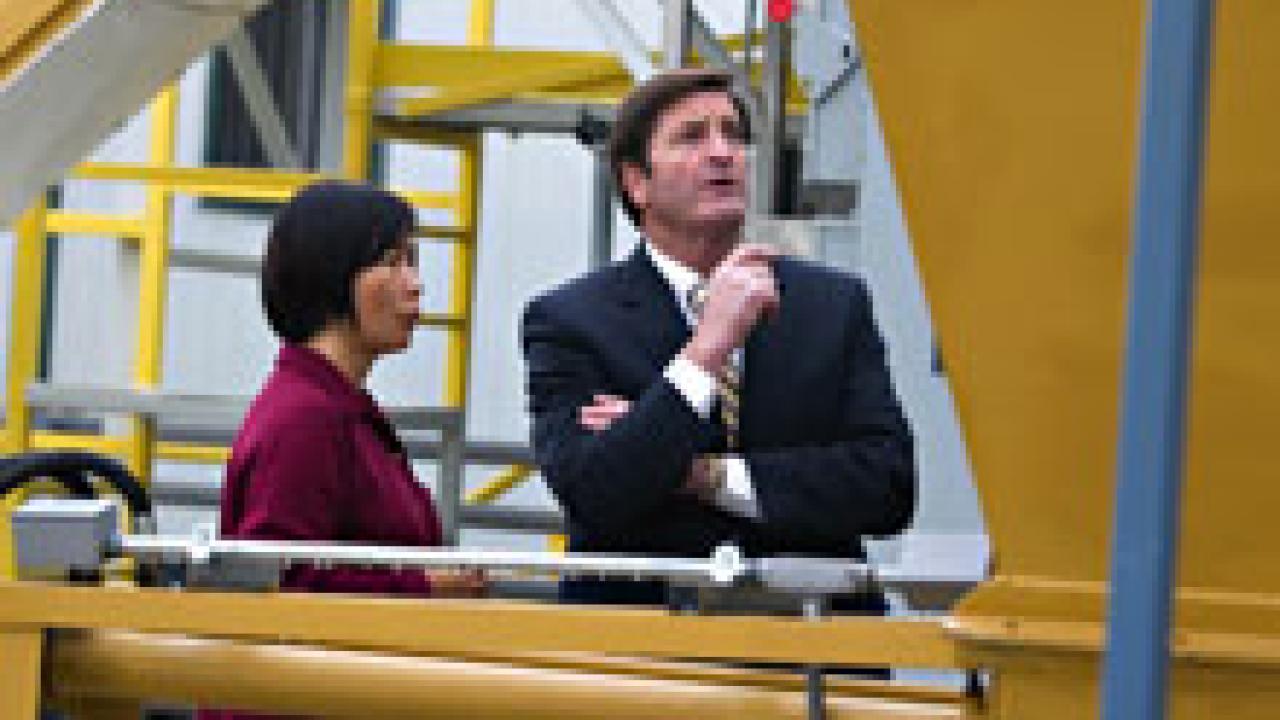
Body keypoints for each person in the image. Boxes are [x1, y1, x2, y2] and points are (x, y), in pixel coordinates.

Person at [521, 70, 916, 609]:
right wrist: (705, 351)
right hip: (641, 660)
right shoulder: (569, 320)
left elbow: (887, 488)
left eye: (732, 134)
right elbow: (596, 492)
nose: (722, 152)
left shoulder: (834, 304)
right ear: (636, 182)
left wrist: (703, 475)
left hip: (811, 658)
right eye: (691, 137)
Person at [199, 181, 480, 720]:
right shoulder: (307, 420)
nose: (416, 286)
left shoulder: (336, 408)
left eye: (414, 263)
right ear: (333, 276)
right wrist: (424, 586)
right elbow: (280, 579)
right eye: (393, 263)